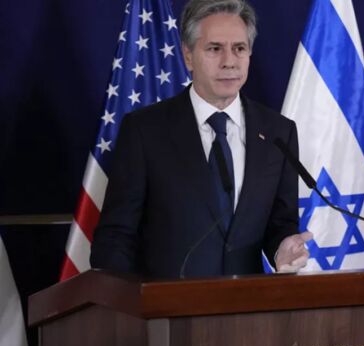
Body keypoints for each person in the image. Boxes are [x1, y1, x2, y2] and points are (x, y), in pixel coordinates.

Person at [91, 0, 311, 277]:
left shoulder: (279, 132)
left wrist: (282, 249)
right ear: (188, 55)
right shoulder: (144, 131)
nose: (229, 61)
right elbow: (116, 236)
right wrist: (120, 297)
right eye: (214, 49)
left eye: (239, 48)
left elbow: (280, 223)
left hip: (248, 300)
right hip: (165, 301)